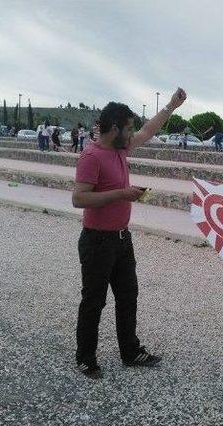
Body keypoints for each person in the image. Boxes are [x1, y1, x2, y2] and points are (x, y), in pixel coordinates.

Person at [71, 87, 187, 378]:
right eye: (128, 127)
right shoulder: (91, 156)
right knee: (94, 301)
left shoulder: (122, 148)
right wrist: (121, 193)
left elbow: (149, 129)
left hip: (122, 239)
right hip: (97, 241)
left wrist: (172, 105)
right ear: (114, 129)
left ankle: (130, 351)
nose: (132, 132)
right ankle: (85, 357)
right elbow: (79, 199)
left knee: (128, 296)